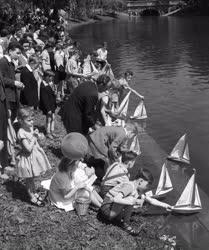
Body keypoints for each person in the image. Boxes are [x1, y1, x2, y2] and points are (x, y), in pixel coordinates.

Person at [100, 168, 171, 235]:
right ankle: (123, 222)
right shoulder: (129, 186)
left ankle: (125, 223)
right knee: (131, 199)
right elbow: (116, 199)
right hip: (107, 209)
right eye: (147, 185)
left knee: (132, 199)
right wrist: (131, 202)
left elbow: (151, 200)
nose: (147, 188)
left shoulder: (137, 190)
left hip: (112, 209)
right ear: (140, 181)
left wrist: (165, 205)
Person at [49, 133, 103, 211]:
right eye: (77, 163)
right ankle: (102, 208)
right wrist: (77, 187)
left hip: (69, 189)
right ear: (71, 165)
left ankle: (103, 203)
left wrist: (85, 168)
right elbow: (65, 196)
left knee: (87, 186)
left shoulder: (68, 165)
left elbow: (80, 164)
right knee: (84, 191)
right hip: (61, 199)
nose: (79, 163)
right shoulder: (62, 177)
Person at [16, 107, 51, 206]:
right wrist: (34, 137)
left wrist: (39, 136)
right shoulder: (21, 132)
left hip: (34, 157)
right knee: (29, 179)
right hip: (27, 158)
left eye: (32, 119)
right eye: (29, 120)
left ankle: (34, 192)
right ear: (21, 120)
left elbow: (36, 141)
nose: (32, 122)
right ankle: (31, 196)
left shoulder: (30, 128)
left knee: (32, 178)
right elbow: (28, 148)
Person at [39, 70, 57, 139]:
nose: (51, 79)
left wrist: (54, 93)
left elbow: (51, 94)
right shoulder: (43, 86)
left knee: (53, 118)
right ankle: (48, 132)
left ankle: (52, 131)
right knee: (49, 119)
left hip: (52, 104)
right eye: (50, 77)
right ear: (46, 77)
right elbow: (44, 99)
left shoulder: (48, 84)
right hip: (48, 106)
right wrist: (48, 109)